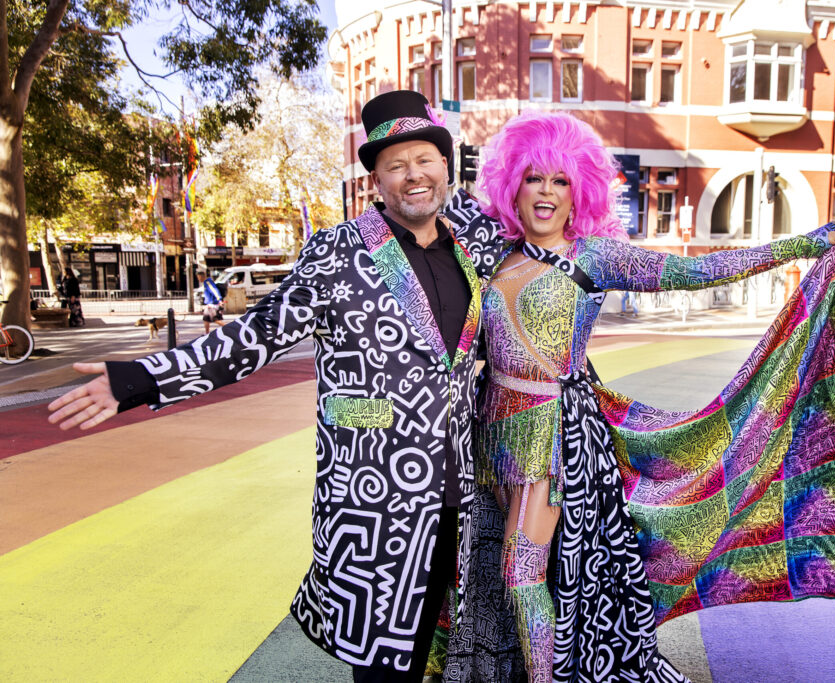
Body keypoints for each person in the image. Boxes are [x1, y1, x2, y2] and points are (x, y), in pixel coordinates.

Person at [47, 90, 515, 682]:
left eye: (425, 159)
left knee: (445, 652)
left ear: (447, 166)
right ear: (375, 179)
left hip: (460, 489)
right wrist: (139, 378)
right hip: (375, 499)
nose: (414, 175)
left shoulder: (475, 245)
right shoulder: (338, 252)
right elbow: (256, 336)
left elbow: (540, 263)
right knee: (382, 664)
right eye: (396, 165)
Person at [467, 112, 835, 682]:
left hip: (554, 440)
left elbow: (697, 272)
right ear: (511, 184)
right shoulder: (494, 257)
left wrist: (800, 245)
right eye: (533, 178)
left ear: (579, 192)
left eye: (560, 180)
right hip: (492, 438)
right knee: (497, 576)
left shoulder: (592, 257)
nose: (545, 192)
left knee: (522, 572)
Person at [198, 269, 226, 334]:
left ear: (202, 276)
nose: (198, 279)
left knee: (216, 320)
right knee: (206, 319)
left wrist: (219, 299)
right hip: (209, 305)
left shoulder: (208, 282)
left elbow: (214, 290)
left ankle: (229, 328)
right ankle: (206, 333)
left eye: (198, 277)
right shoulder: (206, 282)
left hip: (212, 304)